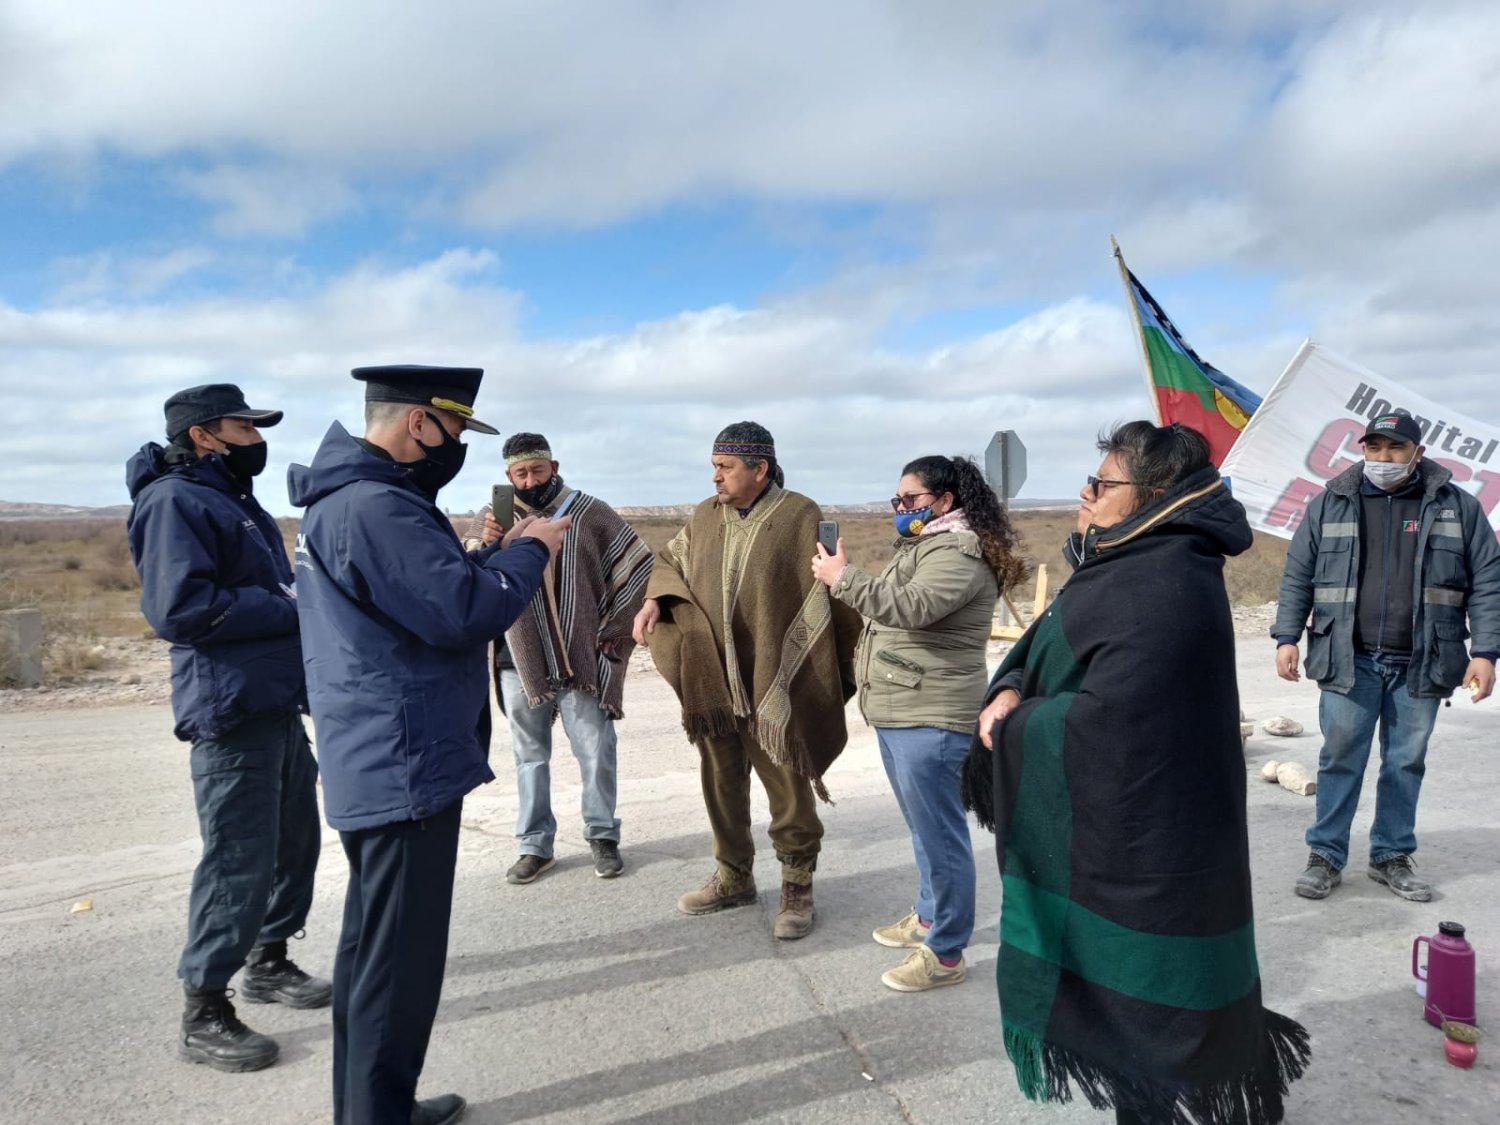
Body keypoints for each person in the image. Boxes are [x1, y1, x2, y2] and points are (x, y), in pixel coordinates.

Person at [966, 421, 1310, 1125]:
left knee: (1155, 1010)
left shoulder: (1168, 578)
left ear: (1153, 494)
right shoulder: (1125, 556)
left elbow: (1116, 732)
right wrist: (1012, 683)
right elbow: (1054, 637)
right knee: (1133, 1021)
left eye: (1101, 482)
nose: (1085, 493)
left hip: (1156, 847)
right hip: (1114, 839)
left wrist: (1017, 727)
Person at [288, 365, 569, 1125]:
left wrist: (478, 558)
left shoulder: (351, 500)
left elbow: (418, 599)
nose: (457, 448)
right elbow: (463, 611)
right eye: (454, 430)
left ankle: (376, 1104)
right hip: (401, 758)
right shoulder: (379, 505)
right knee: (397, 965)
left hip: (377, 748)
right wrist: (533, 548)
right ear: (420, 422)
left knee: (375, 953)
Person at [126, 383, 329, 1074]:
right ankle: (204, 1007)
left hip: (274, 701)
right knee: (237, 858)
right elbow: (181, 609)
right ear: (207, 435)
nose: (258, 439)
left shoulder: (233, 500)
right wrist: (287, 603)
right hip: (230, 706)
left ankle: (268, 961)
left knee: (294, 840)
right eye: (248, 428)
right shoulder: (173, 502)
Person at [632, 421, 858, 940]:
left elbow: (821, 591)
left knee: (786, 781)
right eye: (714, 466)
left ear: (759, 469)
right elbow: (671, 560)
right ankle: (734, 874)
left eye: (726, 467)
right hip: (712, 677)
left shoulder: (800, 515)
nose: (716, 477)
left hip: (770, 680)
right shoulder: (704, 517)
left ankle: (797, 885)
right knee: (719, 780)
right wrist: (653, 599)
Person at [812, 454, 1022, 991]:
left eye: (912, 500)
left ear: (946, 501)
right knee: (924, 831)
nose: (902, 509)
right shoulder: (926, 545)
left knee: (942, 837)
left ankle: (946, 952)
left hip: (932, 717)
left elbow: (912, 607)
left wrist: (843, 578)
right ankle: (930, 917)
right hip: (904, 709)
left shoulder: (957, 551)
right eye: (898, 502)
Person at [1273, 410, 1500, 903]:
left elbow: (1487, 582)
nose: (1382, 458)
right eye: (1373, 448)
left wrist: (1485, 651)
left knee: (1405, 761)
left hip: (1423, 659)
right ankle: (1326, 855)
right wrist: (1286, 635)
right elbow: (1299, 574)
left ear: (1417, 453)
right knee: (1339, 759)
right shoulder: (1330, 503)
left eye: (1394, 449)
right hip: (1347, 657)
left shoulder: (1456, 507)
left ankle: (1390, 855)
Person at [462, 432, 653, 884]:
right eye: (519, 473)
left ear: (554, 465)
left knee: (596, 749)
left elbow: (638, 566)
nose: (529, 481)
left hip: (580, 654)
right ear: (507, 476)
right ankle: (534, 845)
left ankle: (603, 836)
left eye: (537, 470)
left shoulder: (589, 512)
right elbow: (466, 579)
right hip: (517, 657)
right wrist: (485, 546)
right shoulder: (491, 519)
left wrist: (609, 634)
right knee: (529, 755)